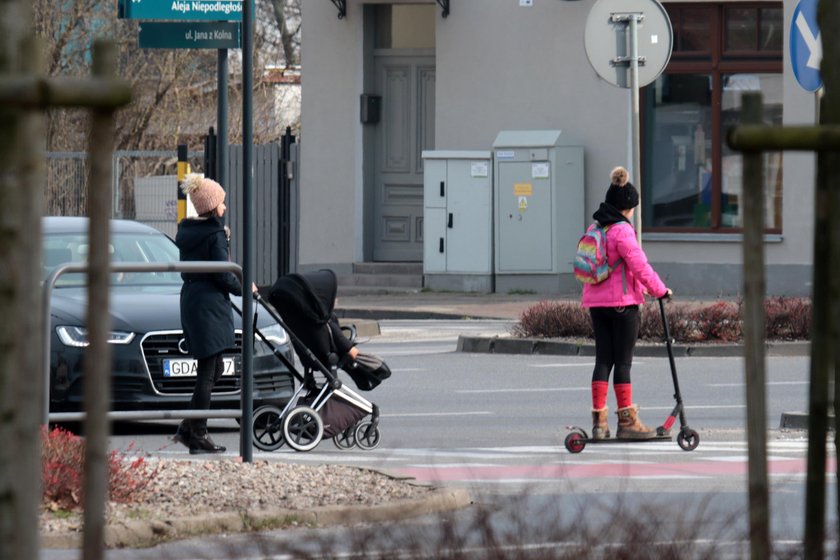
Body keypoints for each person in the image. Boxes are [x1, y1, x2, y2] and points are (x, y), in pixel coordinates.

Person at [581, 166, 672, 440]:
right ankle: (627, 422)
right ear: (627, 208)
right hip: (622, 305)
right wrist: (660, 290)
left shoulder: (595, 227)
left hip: (596, 304)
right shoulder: (622, 231)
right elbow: (639, 266)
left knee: (602, 361)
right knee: (623, 363)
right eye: (633, 209)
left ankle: (599, 423)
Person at [172, 173, 251, 454]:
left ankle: (188, 428)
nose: (225, 208)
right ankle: (199, 433)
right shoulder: (215, 234)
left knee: (214, 368)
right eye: (222, 203)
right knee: (209, 371)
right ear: (212, 206)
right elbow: (222, 272)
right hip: (209, 305)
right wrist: (244, 286)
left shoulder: (188, 231)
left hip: (194, 301)